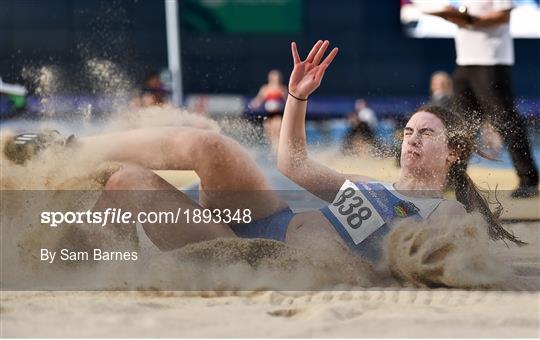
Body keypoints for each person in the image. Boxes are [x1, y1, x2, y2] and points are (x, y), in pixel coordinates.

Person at [6, 41, 523, 268]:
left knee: (126, 183)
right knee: (210, 146)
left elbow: (444, 258)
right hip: (267, 217)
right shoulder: (369, 188)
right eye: (408, 130)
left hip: (259, 256)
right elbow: (292, 164)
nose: (411, 138)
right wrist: (297, 97)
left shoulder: (445, 210)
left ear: (454, 154)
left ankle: (84, 262)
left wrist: (343, 261)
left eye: (425, 134)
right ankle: (68, 151)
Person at [428, 1, 538, 198]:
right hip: (465, 62)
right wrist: (449, 15)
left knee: (505, 120)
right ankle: (455, 176)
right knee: (461, 123)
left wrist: (468, 19)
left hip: (492, 61)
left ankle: (528, 179)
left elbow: (503, 15)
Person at [248, 70, 287, 152]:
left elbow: (287, 101)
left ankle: (277, 147)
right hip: (268, 113)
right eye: (273, 77)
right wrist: (253, 104)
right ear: (270, 78)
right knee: (269, 132)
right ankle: (271, 146)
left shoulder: (282, 89)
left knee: (276, 129)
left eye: (276, 77)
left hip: (278, 113)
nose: (274, 79)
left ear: (279, 78)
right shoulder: (265, 89)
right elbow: (259, 100)